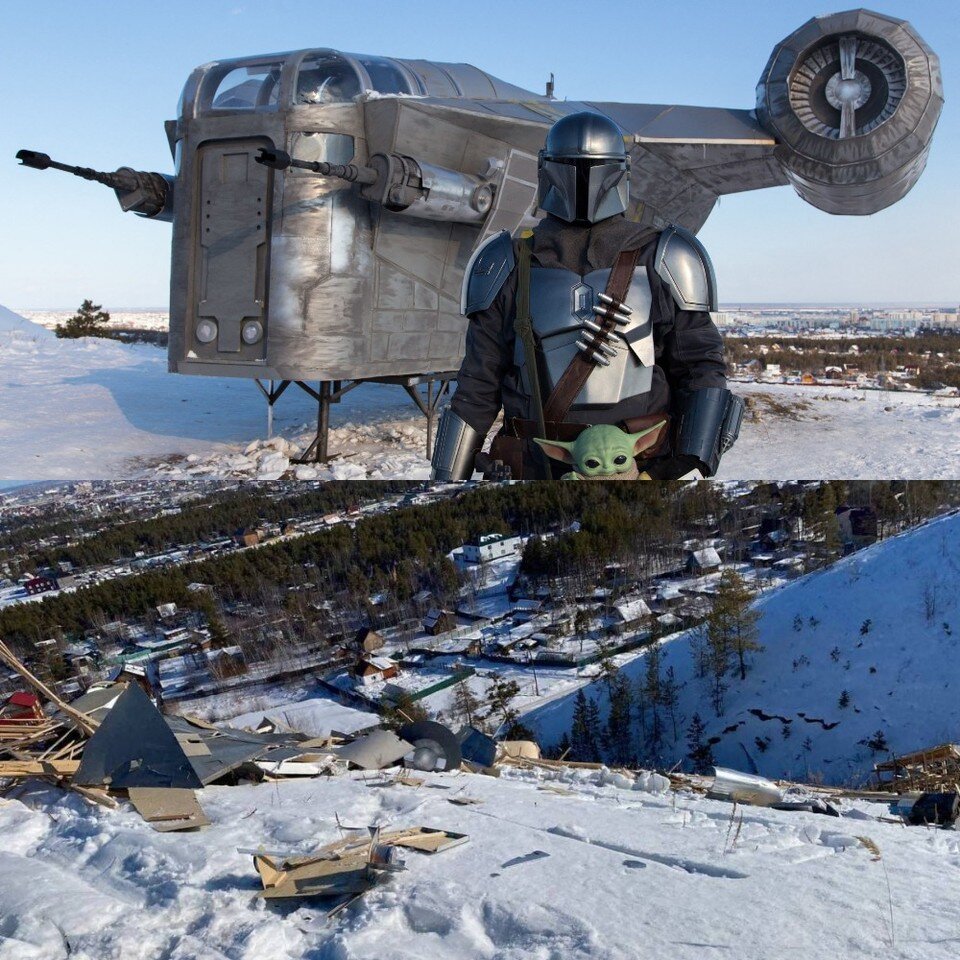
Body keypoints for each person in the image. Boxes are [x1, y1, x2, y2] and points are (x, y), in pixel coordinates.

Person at [431, 111, 743, 481]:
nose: (582, 181)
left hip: (639, 464)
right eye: (571, 167)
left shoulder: (665, 255)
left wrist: (673, 467)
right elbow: (478, 385)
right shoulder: (508, 260)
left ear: (543, 171)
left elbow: (700, 368)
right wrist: (448, 477)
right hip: (536, 462)